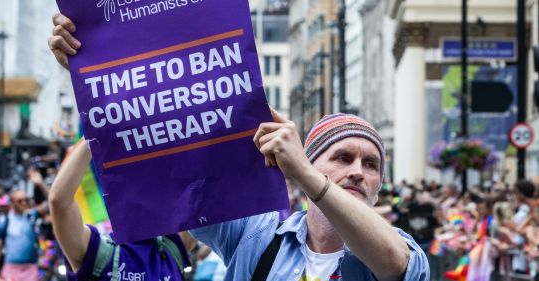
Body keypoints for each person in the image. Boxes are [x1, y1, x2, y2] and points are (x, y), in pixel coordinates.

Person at [49, 13, 429, 280]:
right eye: (343, 157)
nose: (358, 171)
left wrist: (307, 177)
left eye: (371, 164)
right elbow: (182, 153)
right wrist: (102, 72)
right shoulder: (256, 235)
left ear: (380, 187)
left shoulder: (401, 250)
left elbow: (394, 263)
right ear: (311, 160)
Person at [49, 140, 189, 280]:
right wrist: (91, 131)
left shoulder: (171, 246)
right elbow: (59, 201)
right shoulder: (99, 253)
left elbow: (202, 192)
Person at [0, 169, 50, 281]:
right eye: (20, 201)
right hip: (11, 269)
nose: (24, 203)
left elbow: (52, 203)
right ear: (12, 202)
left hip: (31, 269)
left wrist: (40, 183)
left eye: (25, 200)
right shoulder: (5, 220)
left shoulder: (31, 216)